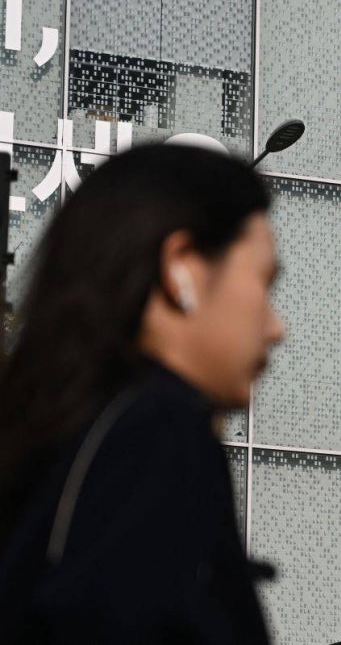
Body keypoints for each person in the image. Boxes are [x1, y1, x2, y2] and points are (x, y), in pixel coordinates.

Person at [0, 144, 283, 643]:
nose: (276, 327)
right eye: (264, 282)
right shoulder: (159, 437)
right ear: (181, 267)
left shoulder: (54, 436)